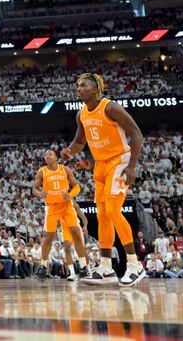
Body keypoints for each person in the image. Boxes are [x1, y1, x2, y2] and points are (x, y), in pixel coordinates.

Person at [63, 72, 146, 287]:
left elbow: (136, 134)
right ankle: (106, 268)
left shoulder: (111, 107)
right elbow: (80, 142)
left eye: (83, 85)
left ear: (95, 89)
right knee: (103, 216)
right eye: (77, 85)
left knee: (112, 210)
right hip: (100, 166)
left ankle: (135, 265)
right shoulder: (81, 113)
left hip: (119, 161)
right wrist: (69, 152)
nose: (78, 88)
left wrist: (132, 165)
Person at [31, 148, 88, 280]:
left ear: (56, 157)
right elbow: (34, 188)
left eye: (49, 154)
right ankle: (43, 266)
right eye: (45, 155)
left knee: (76, 233)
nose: (47, 156)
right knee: (49, 238)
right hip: (52, 207)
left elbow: (77, 186)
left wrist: (70, 195)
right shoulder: (42, 171)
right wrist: (40, 193)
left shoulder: (65, 169)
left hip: (66, 206)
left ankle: (84, 267)